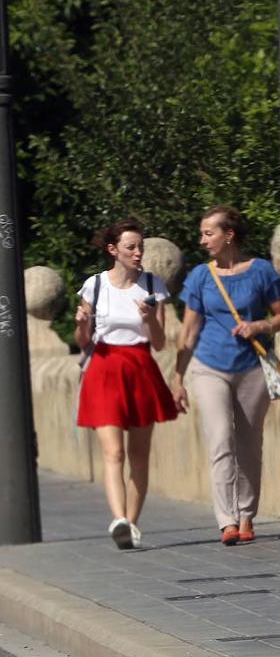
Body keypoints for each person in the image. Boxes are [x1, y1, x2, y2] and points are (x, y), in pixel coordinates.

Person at [170, 206, 280, 546]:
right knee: (221, 438)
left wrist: (260, 325)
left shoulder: (261, 271)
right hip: (209, 366)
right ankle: (226, 520)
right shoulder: (201, 277)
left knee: (250, 442)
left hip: (252, 366)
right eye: (203, 233)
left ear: (228, 235)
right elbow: (188, 332)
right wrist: (178, 378)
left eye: (209, 233)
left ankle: (247, 515)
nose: (202, 240)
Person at [75, 220, 179, 549]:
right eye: (131, 247)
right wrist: (81, 324)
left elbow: (160, 343)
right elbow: (82, 341)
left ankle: (130, 525)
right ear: (113, 250)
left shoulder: (151, 285)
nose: (138, 253)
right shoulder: (94, 286)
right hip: (105, 368)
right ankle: (119, 518)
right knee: (114, 452)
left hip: (140, 367)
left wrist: (149, 319)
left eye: (140, 247)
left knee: (139, 455)